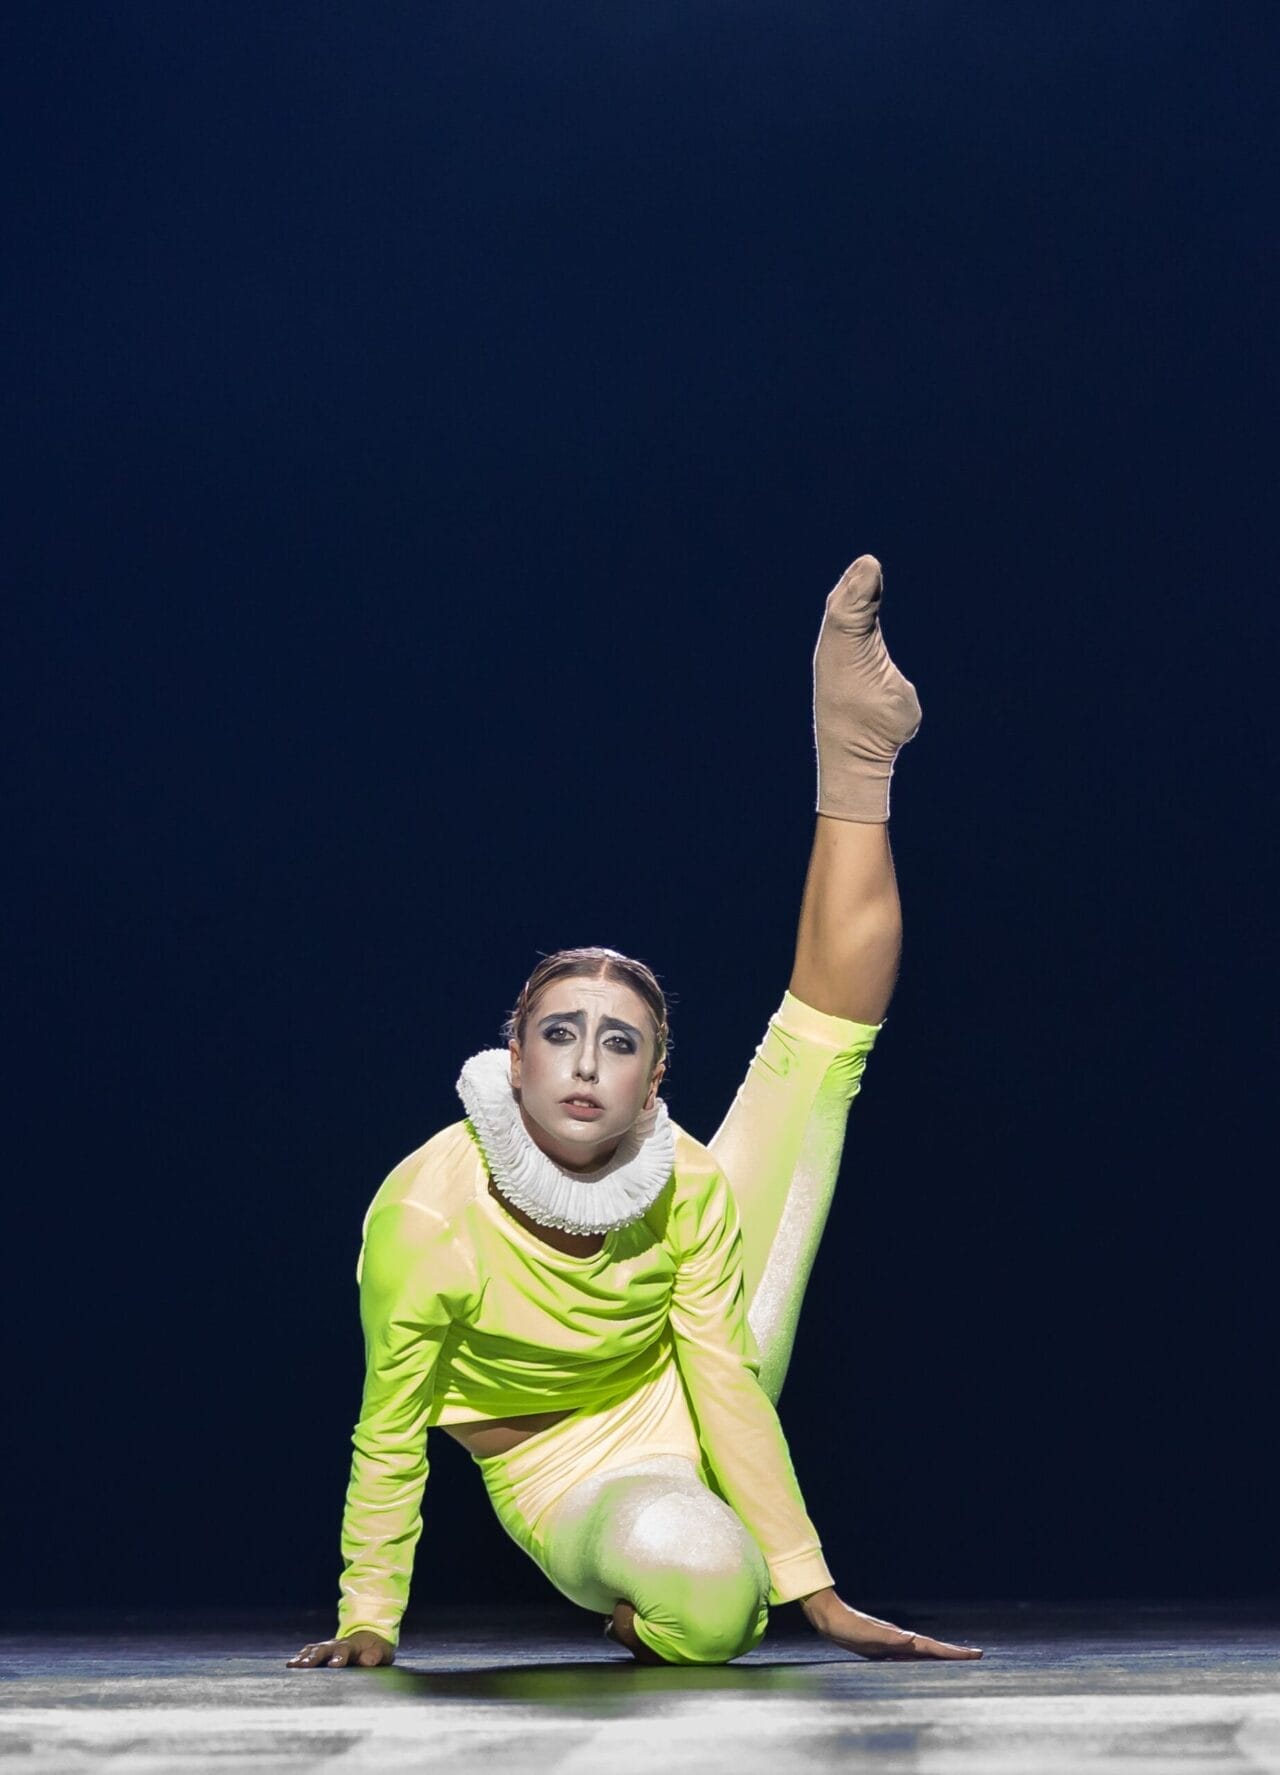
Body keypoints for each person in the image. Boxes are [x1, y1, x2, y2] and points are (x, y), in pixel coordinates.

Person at [289, 554, 982, 1669]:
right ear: (512, 1057)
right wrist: (368, 1613)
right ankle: (697, 1587)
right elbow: (390, 1425)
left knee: (816, 1059)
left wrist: (821, 1592)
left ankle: (853, 750)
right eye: (559, 1032)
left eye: (620, 1043)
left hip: (686, 1376)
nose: (584, 1062)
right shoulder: (424, 1211)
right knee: (712, 1599)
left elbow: (721, 1376)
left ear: (651, 1080)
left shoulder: (687, 1181)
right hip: (566, 1467)